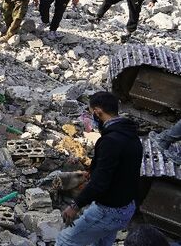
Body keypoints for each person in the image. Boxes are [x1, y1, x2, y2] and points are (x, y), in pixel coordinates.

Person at [56, 92, 142, 246]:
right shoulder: (130, 134)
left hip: (110, 210)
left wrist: (75, 206)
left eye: (90, 113)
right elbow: (120, 168)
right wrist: (94, 170)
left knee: (65, 240)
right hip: (127, 207)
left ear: (97, 112)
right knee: (101, 242)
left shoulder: (110, 141)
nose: (90, 118)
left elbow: (100, 183)